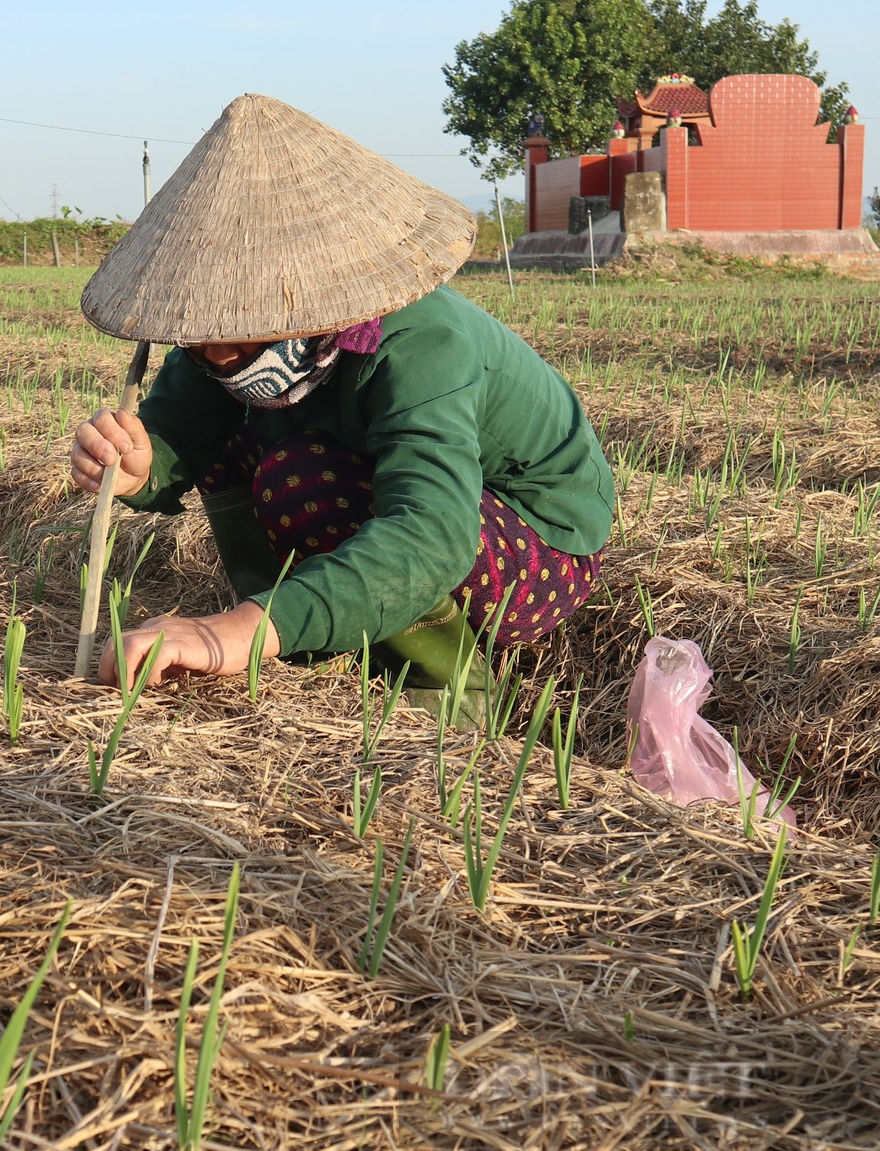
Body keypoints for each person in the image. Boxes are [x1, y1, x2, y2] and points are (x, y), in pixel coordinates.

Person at [68, 94, 615, 706]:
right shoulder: (212, 343)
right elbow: (178, 432)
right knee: (233, 437)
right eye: (198, 333)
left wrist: (236, 635)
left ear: (310, 297)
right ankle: (296, 623)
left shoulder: (422, 344)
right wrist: (141, 463)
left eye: (238, 326)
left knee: (305, 482)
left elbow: (433, 532)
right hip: (392, 484)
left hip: (527, 541)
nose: (214, 353)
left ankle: (451, 694)